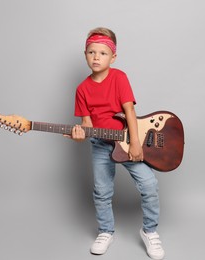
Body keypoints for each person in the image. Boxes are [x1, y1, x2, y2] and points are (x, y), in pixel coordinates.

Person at [67, 27, 165, 260]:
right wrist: (79, 134)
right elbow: (87, 124)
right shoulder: (81, 89)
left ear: (113, 57)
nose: (96, 57)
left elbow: (129, 111)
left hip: (129, 141)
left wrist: (135, 143)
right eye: (91, 52)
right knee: (101, 192)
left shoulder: (119, 77)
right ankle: (105, 231)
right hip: (101, 145)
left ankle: (149, 231)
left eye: (102, 53)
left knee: (149, 185)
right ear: (85, 55)